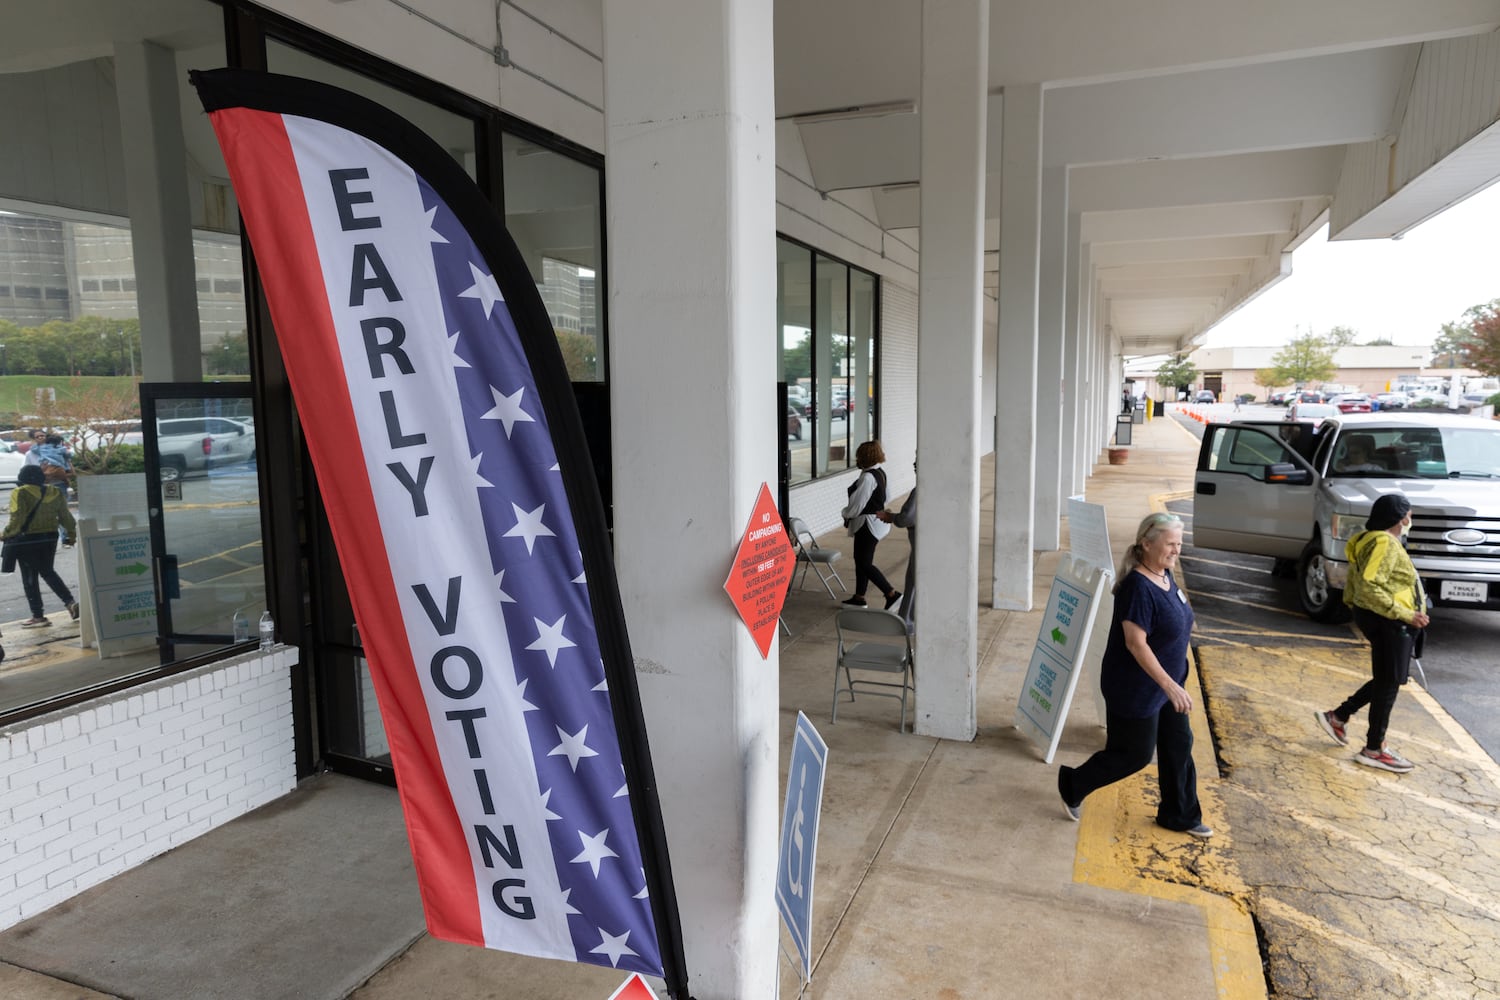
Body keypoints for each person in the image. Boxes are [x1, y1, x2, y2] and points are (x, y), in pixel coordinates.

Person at [1057, 512, 1211, 838]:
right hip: (1136, 688)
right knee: (1133, 755)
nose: (1176, 550)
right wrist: (1170, 686)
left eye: (1179, 543)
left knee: (1178, 746)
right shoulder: (1137, 587)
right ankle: (1073, 783)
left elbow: (1175, 617)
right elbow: (1135, 643)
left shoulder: (1165, 577)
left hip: (1168, 685)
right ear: (1147, 543)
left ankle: (1179, 815)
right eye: (1170, 543)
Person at [1315, 493, 1428, 772]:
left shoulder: (1369, 540)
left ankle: (1339, 717)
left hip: (1381, 619)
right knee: (1389, 683)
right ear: (1400, 517)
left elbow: (1357, 584)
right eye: (1408, 515)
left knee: (1386, 679)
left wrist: (1358, 609)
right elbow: (1369, 586)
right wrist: (1405, 614)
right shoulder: (1384, 543)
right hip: (1391, 622)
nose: (1409, 520)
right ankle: (1374, 749)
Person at [3, 464, 79, 627]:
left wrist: (5, 534)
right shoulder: (55, 491)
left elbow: (17, 519)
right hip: (50, 538)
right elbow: (66, 517)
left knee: (30, 578)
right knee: (47, 571)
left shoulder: (20, 492)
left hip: (27, 540)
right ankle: (69, 603)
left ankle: (39, 616)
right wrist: (71, 536)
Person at [840, 439, 900, 609]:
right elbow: (887, 498)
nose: (856, 458)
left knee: (863, 563)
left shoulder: (867, 477)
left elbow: (857, 505)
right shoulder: (880, 473)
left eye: (858, 455)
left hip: (866, 525)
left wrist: (845, 514)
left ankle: (892, 594)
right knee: (861, 561)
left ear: (864, 457)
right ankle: (859, 597)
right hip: (875, 522)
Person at [876, 459, 917, 630]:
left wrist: (890, 517)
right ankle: (908, 619)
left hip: (922, 543)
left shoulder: (921, 490)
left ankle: (908, 622)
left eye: (918, 462)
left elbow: (907, 518)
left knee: (914, 581)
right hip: (930, 542)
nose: (914, 464)